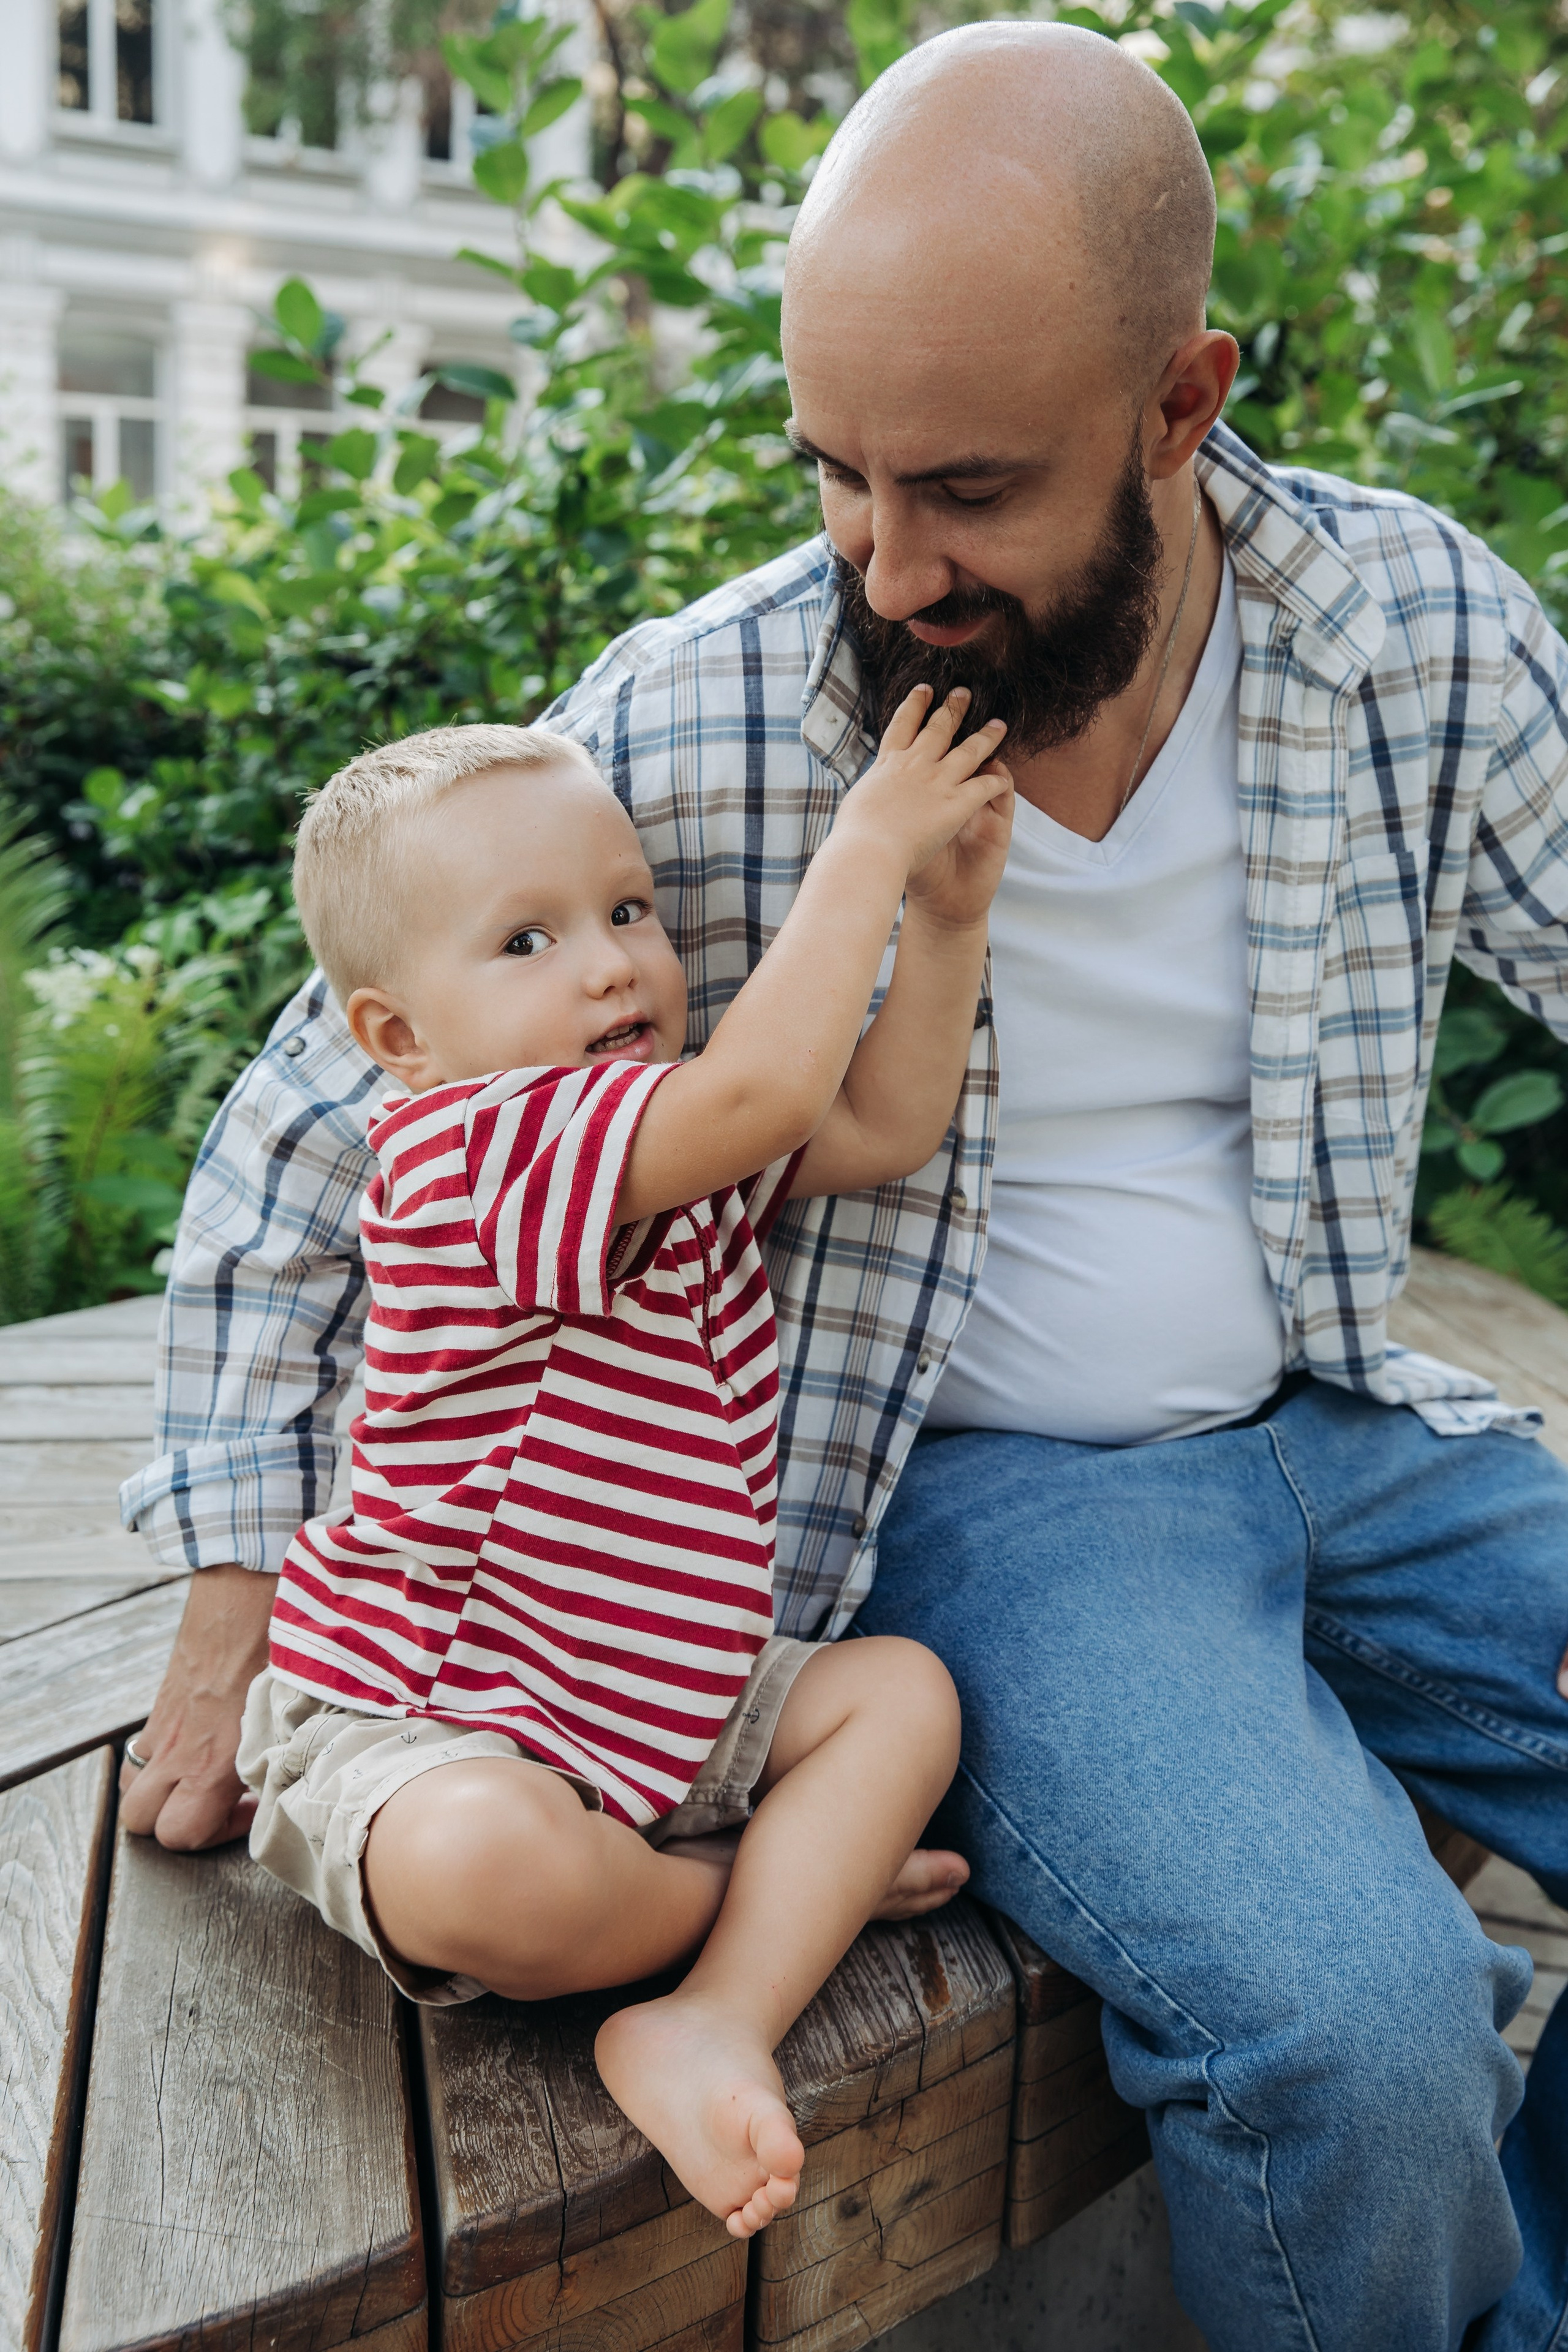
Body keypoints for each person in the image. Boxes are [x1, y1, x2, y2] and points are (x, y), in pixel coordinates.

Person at [118, 21, 1568, 2349]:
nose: (887, 564)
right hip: (998, 1499)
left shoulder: (1407, 632)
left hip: (1349, 1415)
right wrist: (233, 1585)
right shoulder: (703, 717)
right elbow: (317, 1124)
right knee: (1363, 2029)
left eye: (967, 489)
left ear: (1182, 404)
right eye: (835, 477)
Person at [232, 701, 1011, 2234]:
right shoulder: (468, 1151)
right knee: (475, 1868)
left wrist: (946, 915)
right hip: (423, 1720)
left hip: (650, 1714)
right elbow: (770, 1094)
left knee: (896, 1693)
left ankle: (712, 2010)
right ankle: (770, 1896)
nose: (610, 962)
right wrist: (866, 842)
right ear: (397, 1036)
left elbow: (878, 1117)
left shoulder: (661, 1141)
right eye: (526, 940)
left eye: (628, 911)